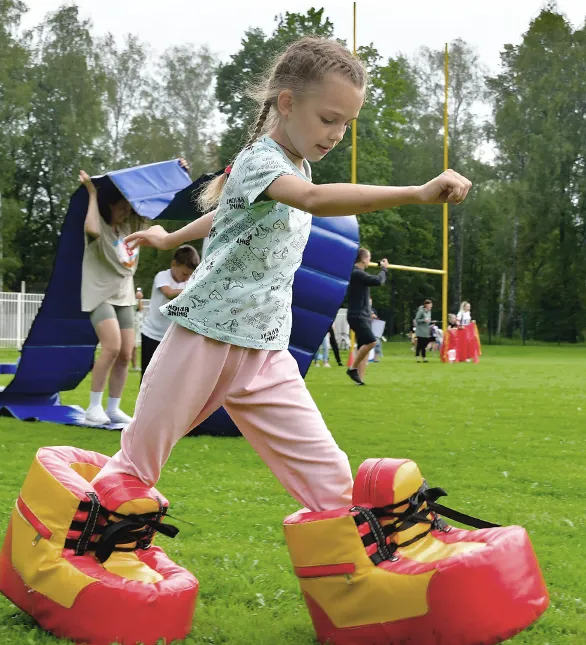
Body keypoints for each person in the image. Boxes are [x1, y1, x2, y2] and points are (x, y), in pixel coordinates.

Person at [92, 37, 471, 516]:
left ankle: (358, 562)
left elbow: (228, 214)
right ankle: (80, 549)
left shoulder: (297, 166)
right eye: (328, 119)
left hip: (266, 350)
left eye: (346, 124)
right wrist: (417, 192)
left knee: (330, 481)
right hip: (206, 337)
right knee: (138, 462)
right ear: (288, 103)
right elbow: (313, 201)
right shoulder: (261, 159)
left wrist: (168, 240)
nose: (336, 134)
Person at [79, 170, 149, 426]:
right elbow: (91, 228)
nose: (126, 211)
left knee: (126, 351)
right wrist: (92, 193)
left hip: (124, 295)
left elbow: (153, 207)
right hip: (99, 294)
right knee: (112, 346)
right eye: (121, 207)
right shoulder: (97, 226)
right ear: (110, 205)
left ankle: (113, 408)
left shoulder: (130, 227)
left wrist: (177, 172)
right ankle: (93, 407)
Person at [139, 244, 200, 378]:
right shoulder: (162, 276)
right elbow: (169, 293)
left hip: (174, 339)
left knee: (169, 377)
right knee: (147, 377)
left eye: (190, 275)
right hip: (152, 335)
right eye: (184, 273)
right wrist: (192, 290)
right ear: (174, 264)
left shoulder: (189, 282)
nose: (186, 278)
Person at [346, 249, 388, 385]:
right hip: (357, 316)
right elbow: (378, 281)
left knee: (364, 347)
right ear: (364, 259)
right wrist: (384, 269)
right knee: (371, 342)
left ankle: (360, 379)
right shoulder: (357, 273)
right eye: (369, 258)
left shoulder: (358, 274)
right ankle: (352, 369)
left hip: (362, 315)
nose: (370, 260)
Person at [131, 288, 144, 372]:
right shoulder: (130, 299)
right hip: (129, 323)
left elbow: (140, 309)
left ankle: (134, 365)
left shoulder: (139, 301)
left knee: (134, 346)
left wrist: (139, 299)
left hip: (135, 324)